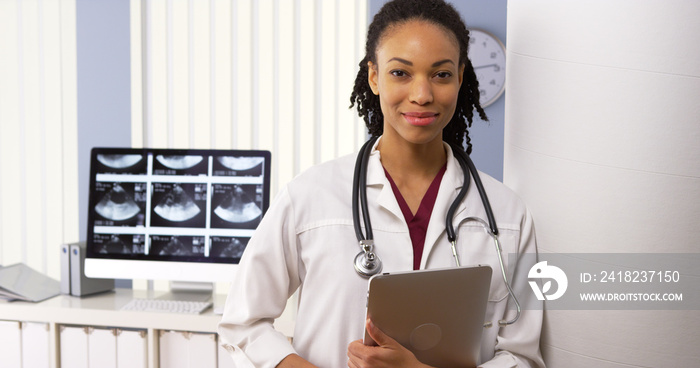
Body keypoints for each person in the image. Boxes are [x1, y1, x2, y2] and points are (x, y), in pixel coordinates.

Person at [218, 0, 545, 367]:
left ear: (460, 77)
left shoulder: (507, 215)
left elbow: (522, 357)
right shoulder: (310, 197)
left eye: (440, 74)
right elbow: (243, 325)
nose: (421, 95)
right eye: (400, 73)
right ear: (374, 76)